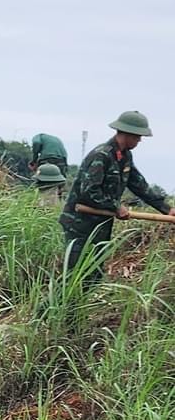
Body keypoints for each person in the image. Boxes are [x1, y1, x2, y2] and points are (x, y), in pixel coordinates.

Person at [60, 111, 174, 288]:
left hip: (101, 224)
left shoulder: (125, 157)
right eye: (137, 137)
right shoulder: (101, 156)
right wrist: (116, 206)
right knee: (74, 276)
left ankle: (76, 315)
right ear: (126, 134)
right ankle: (46, 314)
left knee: (94, 275)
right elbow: (89, 192)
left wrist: (167, 209)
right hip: (79, 224)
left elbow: (139, 186)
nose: (139, 141)